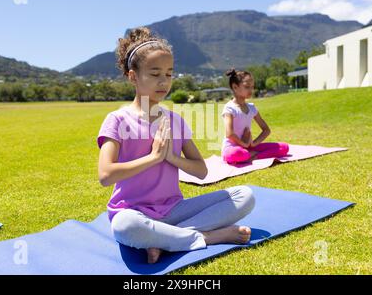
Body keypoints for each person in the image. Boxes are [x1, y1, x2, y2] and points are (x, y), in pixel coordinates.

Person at [97, 27, 256, 264]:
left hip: (173, 210)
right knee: (124, 226)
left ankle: (163, 239)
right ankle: (206, 237)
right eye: (155, 74)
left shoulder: (175, 120)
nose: (164, 81)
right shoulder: (117, 120)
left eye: (169, 74)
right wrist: (153, 158)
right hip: (134, 213)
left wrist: (171, 157)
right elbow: (106, 175)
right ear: (133, 76)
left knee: (245, 196)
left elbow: (201, 170)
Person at [221, 69, 289, 164]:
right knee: (237, 153)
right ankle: (249, 155)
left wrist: (253, 143)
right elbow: (229, 134)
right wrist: (243, 144)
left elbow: (266, 130)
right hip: (232, 148)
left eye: (252, 87)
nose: (251, 90)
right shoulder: (229, 108)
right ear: (235, 87)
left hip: (249, 146)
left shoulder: (252, 108)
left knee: (284, 147)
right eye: (247, 87)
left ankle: (252, 155)